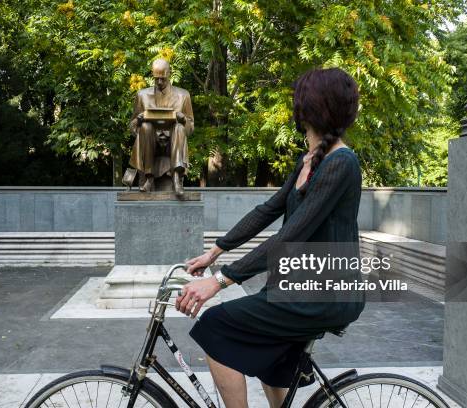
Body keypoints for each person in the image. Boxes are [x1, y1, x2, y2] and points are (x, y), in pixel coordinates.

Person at [175, 67, 365, 408]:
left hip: (325, 294)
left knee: (215, 327)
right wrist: (214, 253)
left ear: (310, 108)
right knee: (271, 367)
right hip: (298, 286)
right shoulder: (309, 160)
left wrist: (219, 282)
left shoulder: (342, 163)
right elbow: (269, 210)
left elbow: (290, 235)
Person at [129, 58, 194, 194]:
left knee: (179, 128)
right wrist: (139, 121)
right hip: (150, 142)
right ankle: (149, 178)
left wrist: (183, 121)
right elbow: (132, 126)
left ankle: (176, 178)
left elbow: (190, 127)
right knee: (146, 126)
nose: (159, 82)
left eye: (163, 79)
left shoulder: (183, 95)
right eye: (156, 78)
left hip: (173, 142)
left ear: (169, 74)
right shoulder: (142, 95)